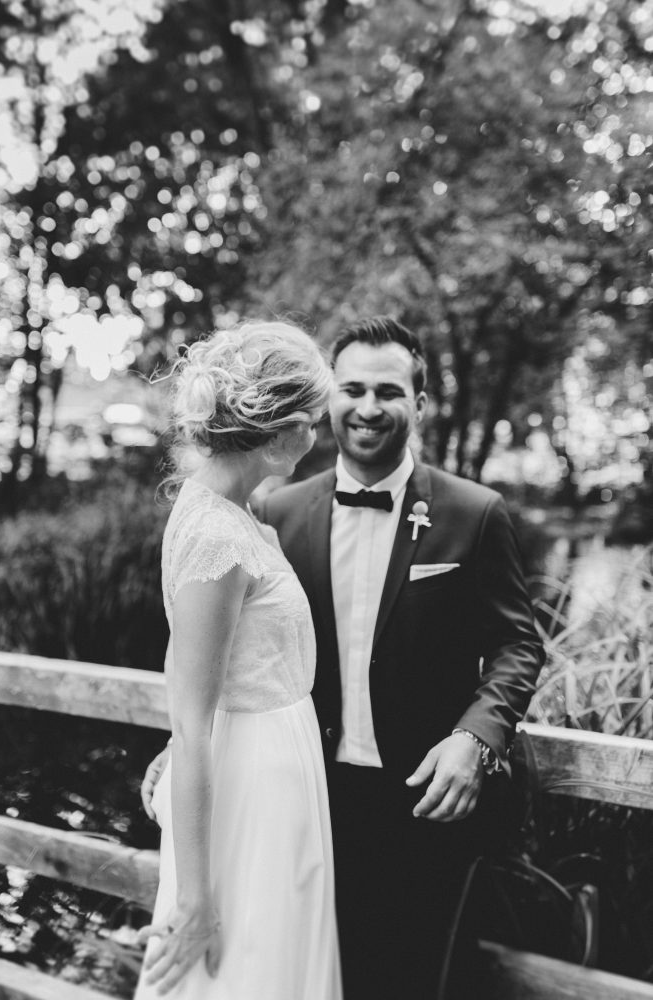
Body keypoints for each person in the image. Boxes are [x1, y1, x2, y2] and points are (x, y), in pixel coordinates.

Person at [142, 316, 544, 1000]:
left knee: (409, 981)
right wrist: (187, 747)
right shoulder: (274, 509)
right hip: (308, 796)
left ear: (419, 402)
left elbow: (518, 643)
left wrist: (474, 737)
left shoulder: (476, 513)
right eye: (349, 388)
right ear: (322, 403)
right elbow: (225, 656)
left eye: (387, 390)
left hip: (418, 804)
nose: (365, 406)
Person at [135, 321, 342, 1000]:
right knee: (241, 969)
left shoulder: (237, 513)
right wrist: (194, 900)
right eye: (312, 420)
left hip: (277, 770)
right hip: (249, 787)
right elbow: (194, 719)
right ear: (279, 427)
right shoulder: (214, 535)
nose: (318, 435)